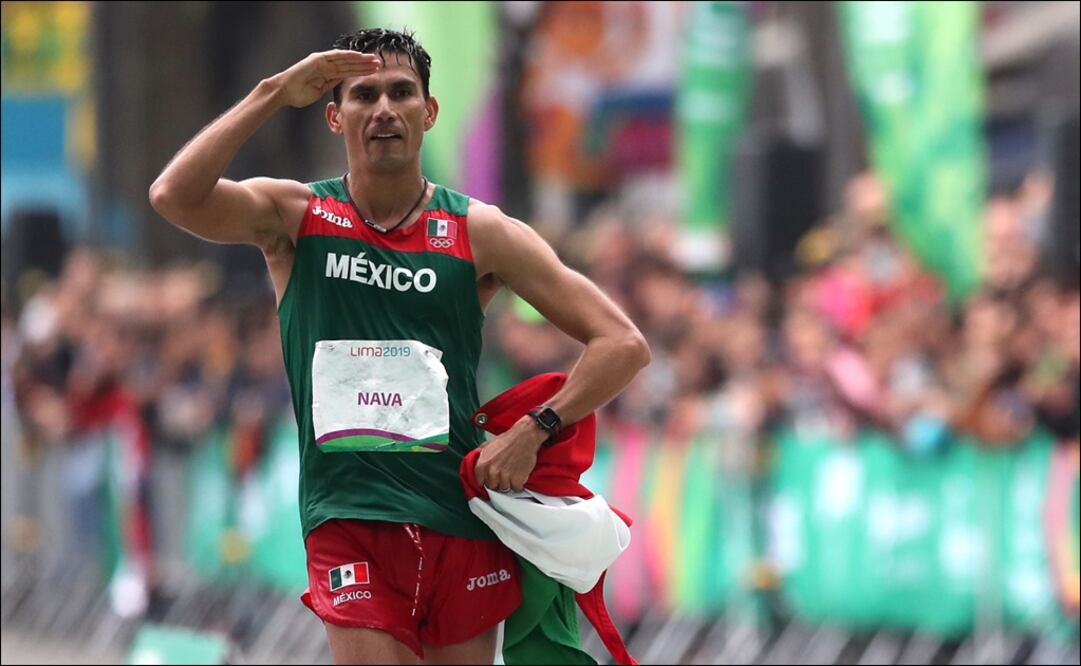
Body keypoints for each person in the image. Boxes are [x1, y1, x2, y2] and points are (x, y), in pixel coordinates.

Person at [150, 28, 650, 665]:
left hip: (460, 521)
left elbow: (623, 343)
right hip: (348, 517)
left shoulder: (480, 231)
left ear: (429, 112)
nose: (383, 108)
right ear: (335, 116)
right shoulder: (297, 217)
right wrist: (273, 93)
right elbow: (174, 196)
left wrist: (535, 428)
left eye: (401, 92)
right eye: (364, 95)